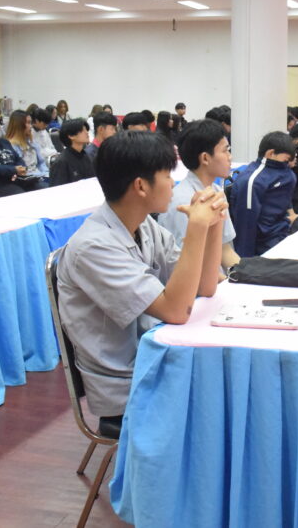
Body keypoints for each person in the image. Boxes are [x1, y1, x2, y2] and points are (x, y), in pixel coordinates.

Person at [57, 131, 226, 426]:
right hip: (127, 382)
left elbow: (206, 286)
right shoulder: (93, 247)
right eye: (167, 175)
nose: (173, 184)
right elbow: (176, 311)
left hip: (155, 354)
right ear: (141, 186)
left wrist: (214, 223)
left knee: (227, 380)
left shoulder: (143, 224)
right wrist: (197, 228)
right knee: (223, 397)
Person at [159, 119, 241, 271]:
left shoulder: (217, 192)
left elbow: (225, 249)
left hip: (216, 278)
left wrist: (248, 275)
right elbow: (186, 264)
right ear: (205, 158)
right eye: (225, 150)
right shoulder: (183, 202)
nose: (230, 157)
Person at [229, 132, 298, 257]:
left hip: (283, 231)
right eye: (286, 160)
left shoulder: (283, 172)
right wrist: (245, 263)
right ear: (270, 154)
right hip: (265, 242)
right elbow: (246, 226)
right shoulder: (253, 181)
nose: (289, 163)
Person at [5, 110, 49, 186]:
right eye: (28, 123)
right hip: (27, 181)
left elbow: (41, 162)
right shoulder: (10, 146)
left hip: (40, 176)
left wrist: (46, 173)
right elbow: (21, 171)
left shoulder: (32, 143)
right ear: (19, 125)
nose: (31, 126)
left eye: (31, 123)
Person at [50, 118, 96, 186]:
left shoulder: (85, 156)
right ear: (71, 136)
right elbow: (57, 189)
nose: (87, 132)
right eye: (82, 130)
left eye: (86, 130)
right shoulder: (61, 162)